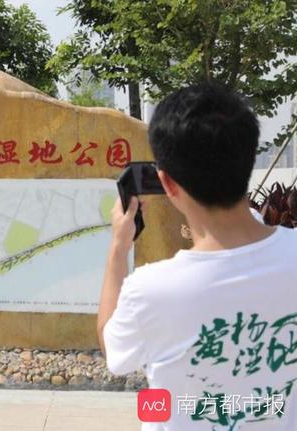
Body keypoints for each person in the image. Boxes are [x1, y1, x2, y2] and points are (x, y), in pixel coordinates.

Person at [98, 83, 296, 430]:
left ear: (167, 183)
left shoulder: (151, 289)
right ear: (249, 157)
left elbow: (114, 353)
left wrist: (119, 248)